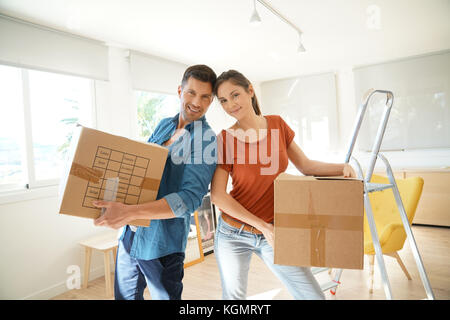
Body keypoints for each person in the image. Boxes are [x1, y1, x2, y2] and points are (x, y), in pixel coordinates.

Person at [210, 69, 356, 300]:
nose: (230, 105)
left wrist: (341, 167)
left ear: (250, 90)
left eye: (235, 95)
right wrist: (263, 227)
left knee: (312, 296)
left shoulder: (277, 125)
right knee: (234, 299)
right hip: (234, 233)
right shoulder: (225, 139)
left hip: (275, 231)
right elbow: (218, 196)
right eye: (224, 101)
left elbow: (306, 166)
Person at [92, 64, 218, 300]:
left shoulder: (206, 139)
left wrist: (128, 211)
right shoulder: (164, 125)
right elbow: (142, 167)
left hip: (162, 245)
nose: (196, 102)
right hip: (131, 235)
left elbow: (189, 199)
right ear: (180, 92)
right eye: (191, 92)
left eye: (205, 97)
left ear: (211, 101)